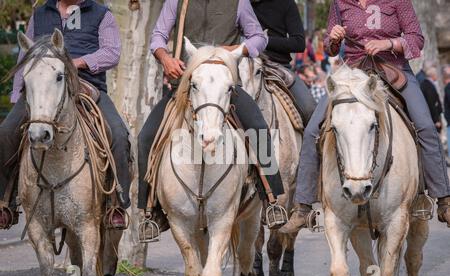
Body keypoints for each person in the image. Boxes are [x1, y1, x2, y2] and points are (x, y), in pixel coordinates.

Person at [280, 0, 450, 233]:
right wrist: (335, 39)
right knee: (311, 130)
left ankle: (443, 199)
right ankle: (302, 206)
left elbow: (416, 39)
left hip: (394, 69)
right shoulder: (340, 3)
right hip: (352, 73)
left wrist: (388, 43)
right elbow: (330, 47)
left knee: (426, 127)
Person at [138, 0, 286, 240]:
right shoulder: (177, 2)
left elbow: (259, 38)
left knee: (259, 128)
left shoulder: (239, 2)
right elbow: (158, 37)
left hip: (225, 88)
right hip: (187, 88)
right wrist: (165, 58)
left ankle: (271, 199)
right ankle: (150, 210)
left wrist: (234, 50)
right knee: (146, 138)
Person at [0, 0, 131, 230]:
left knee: (119, 135)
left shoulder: (102, 14)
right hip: (39, 89)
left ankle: (115, 204)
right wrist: (16, 96)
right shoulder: (39, 14)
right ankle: (6, 202)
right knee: (6, 132)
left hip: (86, 85)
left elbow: (111, 53)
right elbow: (24, 56)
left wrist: (79, 62)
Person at [250, 0, 317, 124]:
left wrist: (264, 41)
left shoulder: (286, 3)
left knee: (310, 109)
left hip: (279, 67)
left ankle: (311, 142)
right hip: (247, 66)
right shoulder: (240, 4)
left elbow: (299, 42)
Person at [420, 65, 443, 131]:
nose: (437, 76)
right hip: (433, 119)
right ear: (432, 75)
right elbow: (432, 103)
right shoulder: (428, 86)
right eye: (436, 74)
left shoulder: (426, 84)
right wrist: (436, 120)